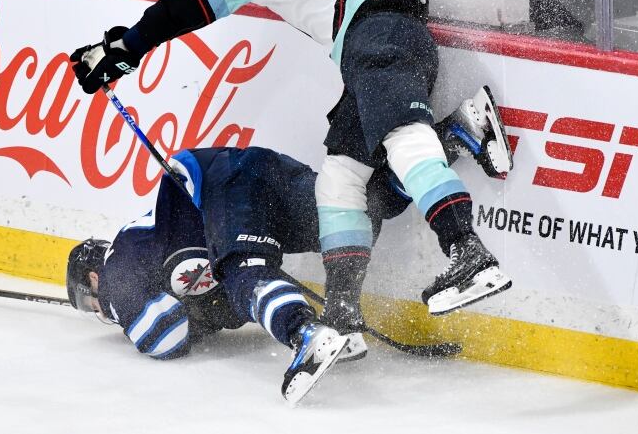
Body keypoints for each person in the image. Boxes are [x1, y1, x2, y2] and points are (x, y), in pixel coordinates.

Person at [69, 0, 513, 354]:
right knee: (341, 182)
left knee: (402, 137)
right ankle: (342, 313)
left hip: (373, 36)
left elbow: (192, 4)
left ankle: (467, 250)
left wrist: (123, 49)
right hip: (387, 33)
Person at [66, 146, 412, 404]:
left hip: (229, 182)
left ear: (93, 278)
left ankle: (305, 333)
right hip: (259, 172)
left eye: (88, 301)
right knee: (354, 213)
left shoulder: (115, 275)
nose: (97, 310)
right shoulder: (142, 246)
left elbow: (164, 336)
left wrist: (205, 313)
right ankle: (433, 148)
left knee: (244, 276)